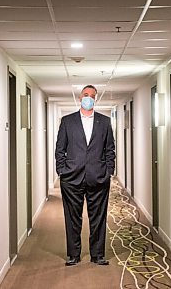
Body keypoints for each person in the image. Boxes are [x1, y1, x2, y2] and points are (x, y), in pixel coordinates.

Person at [55, 85, 116, 266]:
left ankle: (97, 254)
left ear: (95, 99)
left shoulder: (104, 122)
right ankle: (73, 254)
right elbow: (60, 149)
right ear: (80, 97)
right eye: (85, 95)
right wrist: (62, 170)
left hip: (98, 177)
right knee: (72, 217)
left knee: (98, 217)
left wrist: (108, 172)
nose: (88, 98)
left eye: (92, 96)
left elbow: (109, 150)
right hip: (71, 178)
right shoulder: (67, 121)